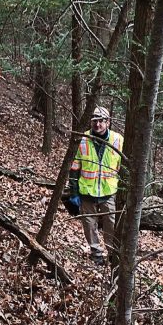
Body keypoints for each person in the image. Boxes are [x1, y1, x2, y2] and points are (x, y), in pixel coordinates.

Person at [68, 106, 123, 266]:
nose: (97, 124)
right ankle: (96, 254)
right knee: (89, 225)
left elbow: (123, 166)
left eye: (101, 121)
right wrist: (74, 192)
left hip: (109, 191)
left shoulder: (118, 140)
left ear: (108, 122)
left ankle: (113, 254)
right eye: (94, 121)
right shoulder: (82, 139)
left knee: (111, 225)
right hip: (86, 191)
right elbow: (74, 167)